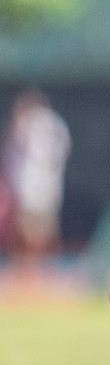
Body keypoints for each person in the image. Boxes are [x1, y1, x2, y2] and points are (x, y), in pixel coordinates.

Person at [1, 90, 72, 263]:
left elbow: (10, 153)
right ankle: (41, 271)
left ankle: (32, 272)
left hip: (29, 190)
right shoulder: (56, 125)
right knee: (44, 238)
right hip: (48, 190)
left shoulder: (26, 123)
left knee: (28, 239)